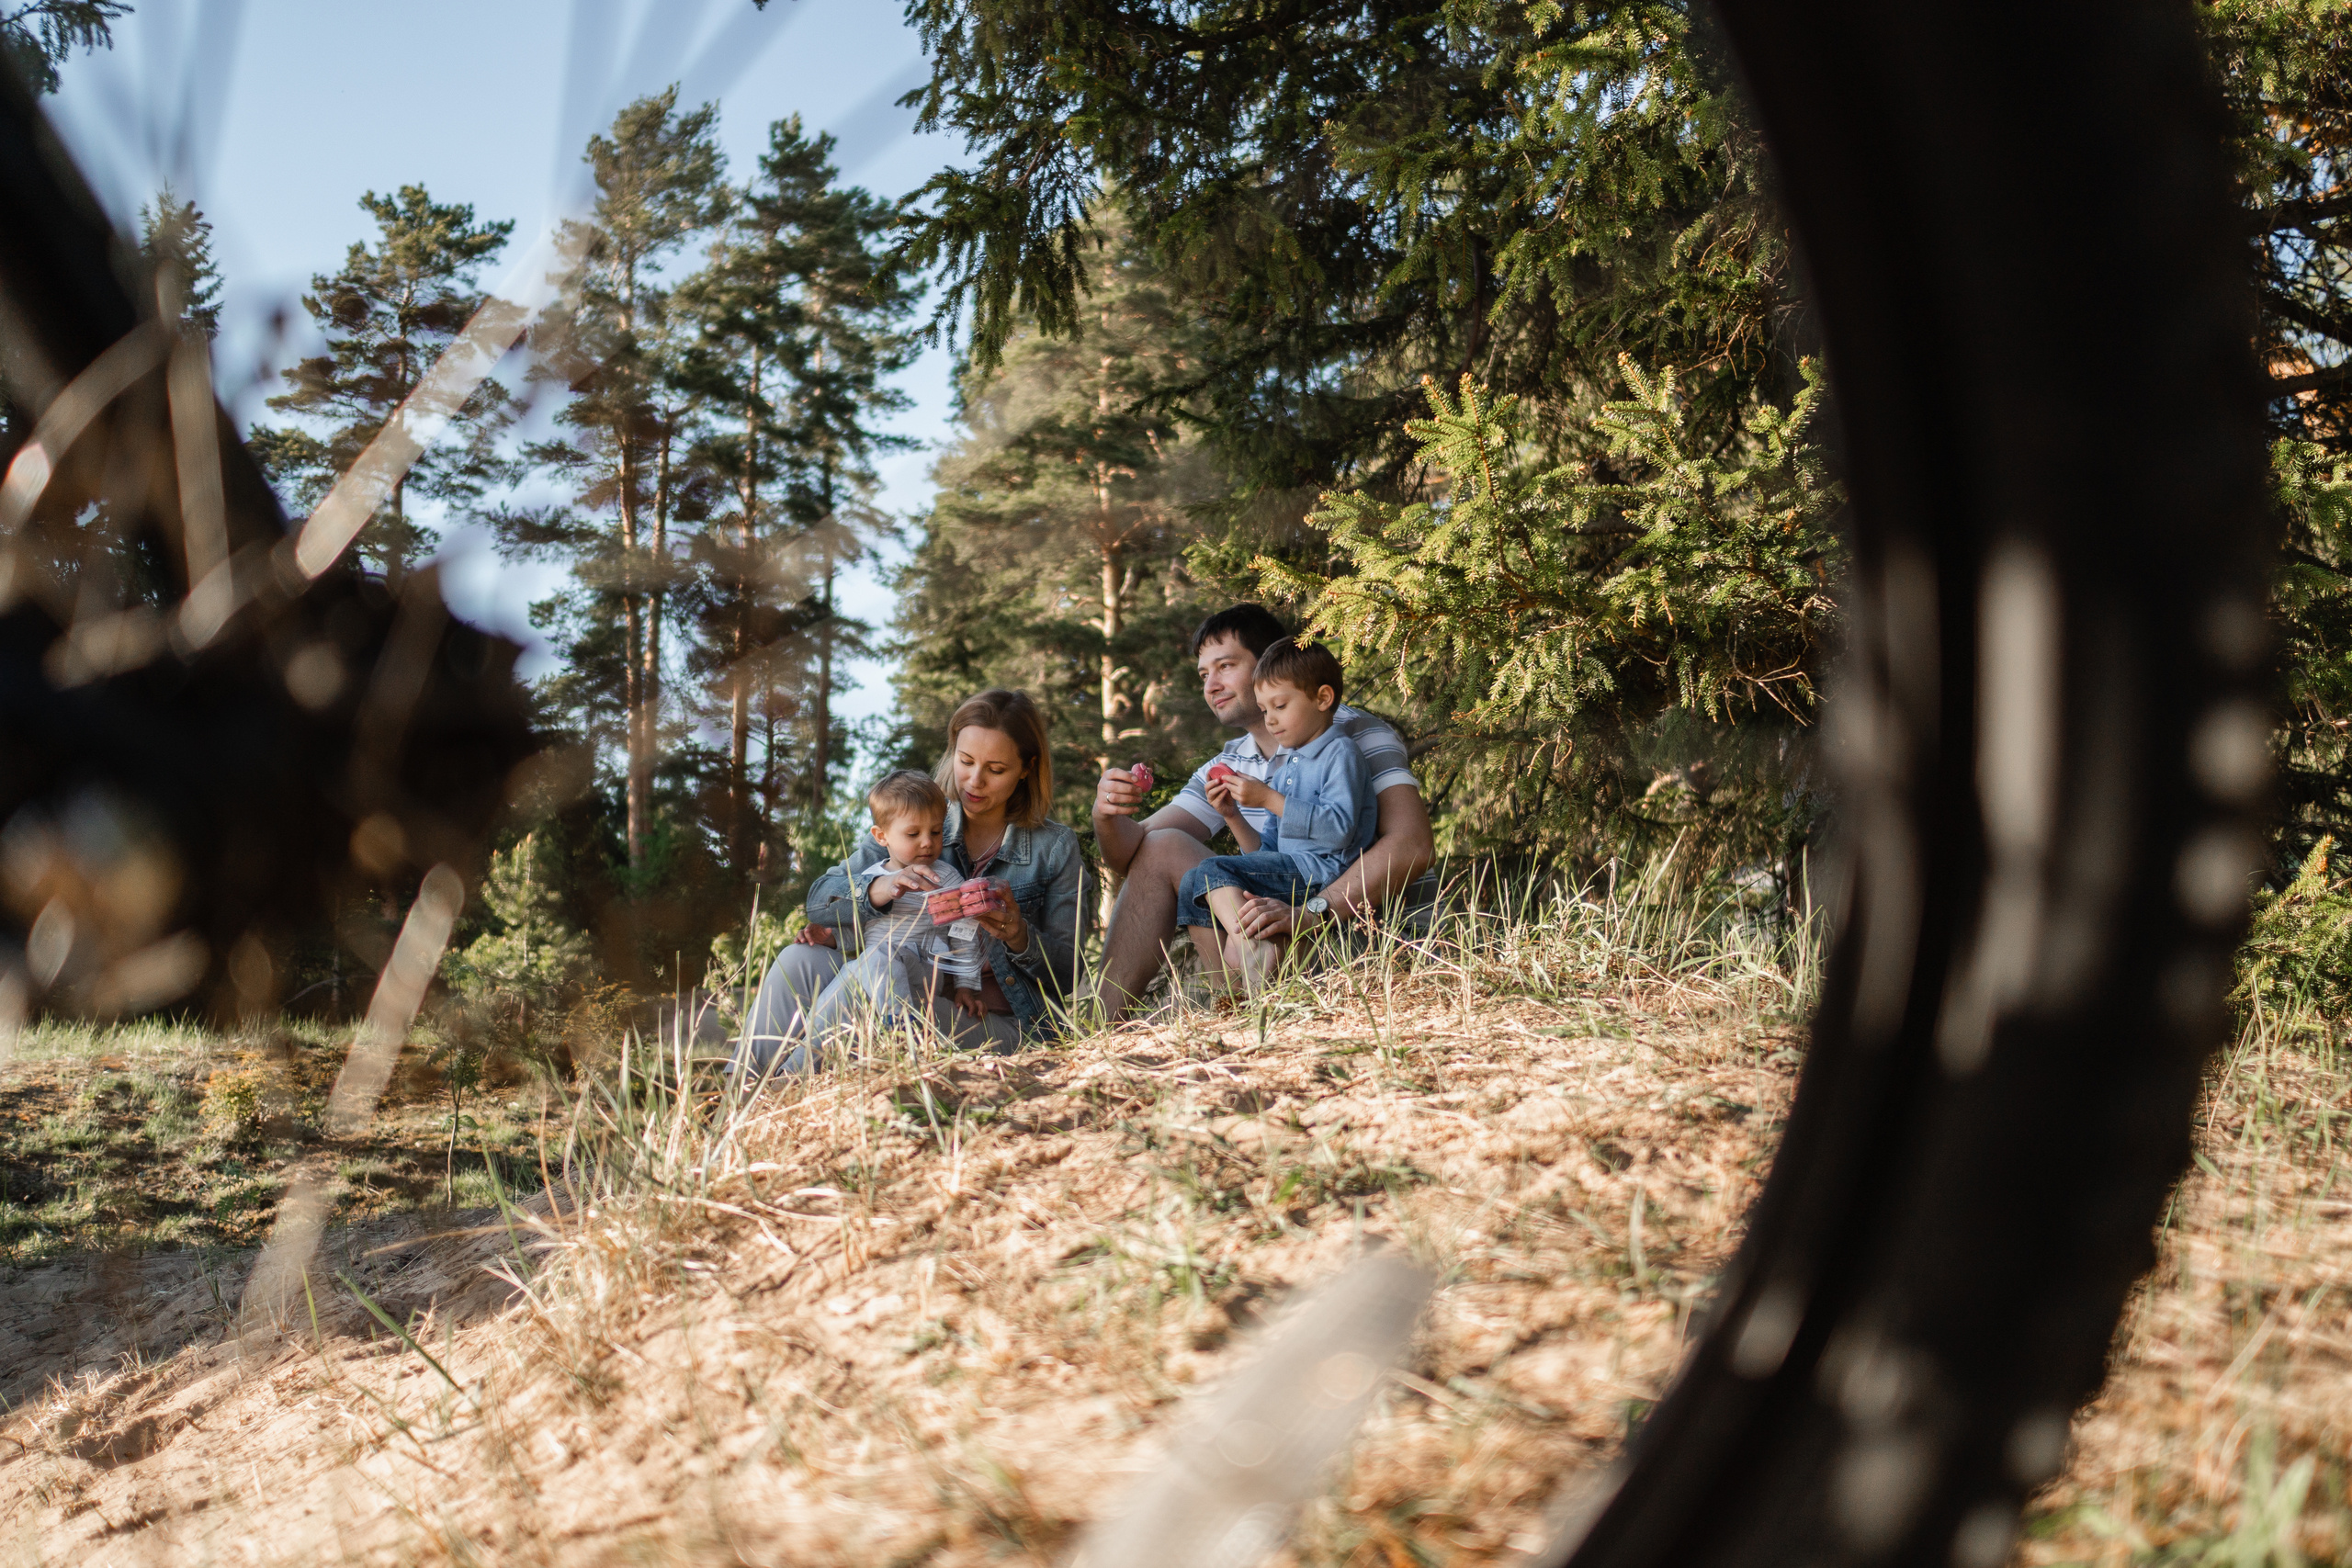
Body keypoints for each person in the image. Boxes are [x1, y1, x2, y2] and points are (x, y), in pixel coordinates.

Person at [1092, 604, 1437, 1021]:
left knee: (1211, 877)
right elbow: (1136, 854)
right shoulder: (1230, 764)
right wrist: (1108, 817)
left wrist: (1310, 915)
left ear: (1271, 661)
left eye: (1225, 666)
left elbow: (1412, 846)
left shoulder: (1353, 736)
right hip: (1276, 914)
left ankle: (1247, 990)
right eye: (1204, 674)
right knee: (1167, 849)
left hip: (1356, 928)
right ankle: (1106, 1024)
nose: (1211, 685)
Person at [738, 689, 1085, 1073]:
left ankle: (781, 1092)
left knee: (873, 984)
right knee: (799, 960)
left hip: (1004, 1025)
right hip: (913, 988)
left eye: (996, 769)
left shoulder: (1053, 848)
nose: (975, 780)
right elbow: (821, 901)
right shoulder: (915, 820)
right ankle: (738, 1096)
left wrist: (1017, 934)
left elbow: (1069, 974)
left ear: (1026, 768)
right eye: (966, 761)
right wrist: (878, 889)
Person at [1178, 637, 1374, 992]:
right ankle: (1226, 987)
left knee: (1211, 871)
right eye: (1264, 710)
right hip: (1291, 870)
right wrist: (1233, 816)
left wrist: (1270, 799)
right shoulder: (1286, 767)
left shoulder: (1340, 753)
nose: (1270, 720)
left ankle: (1253, 956)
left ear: (1323, 698)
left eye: (1280, 706)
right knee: (1194, 883)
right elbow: (1266, 854)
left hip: (1323, 874)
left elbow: (1340, 830)